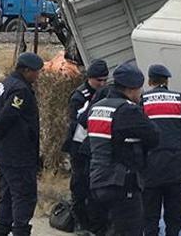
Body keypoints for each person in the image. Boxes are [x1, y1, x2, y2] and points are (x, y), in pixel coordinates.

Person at [88, 62, 159, 236]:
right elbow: (154, 136)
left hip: (97, 179)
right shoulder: (127, 110)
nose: (140, 93)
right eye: (139, 89)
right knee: (130, 230)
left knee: (110, 230)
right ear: (131, 89)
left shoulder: (98, 107)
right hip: (121, 182)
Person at [0, 52, 44, 236]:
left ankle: (1, 229)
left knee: (7, 194)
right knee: (23, 195)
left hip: (3, 152)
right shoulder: (21, 90)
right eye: (35, 72)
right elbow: (8, 116)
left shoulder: (4, 83)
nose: (37, 76)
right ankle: (20, 230)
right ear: (26, 71)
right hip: (18, 152)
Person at [141, 64, 181, 236]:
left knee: (150, 216)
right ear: (167, 81)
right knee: (174, 215)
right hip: (176, 168)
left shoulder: (141, 103)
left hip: (149, 171)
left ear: (149, 81)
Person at [61, 59, 109, 234]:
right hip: (79, 147)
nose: (102, 84)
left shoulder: (105, 92)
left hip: (95, 147)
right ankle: (80, 222)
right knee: (80, 186)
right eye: (99, 80)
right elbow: (77, 122)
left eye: (105, 80)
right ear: (90, 78)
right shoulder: (79, 97)